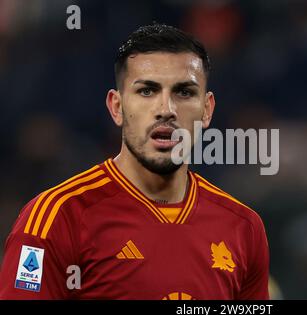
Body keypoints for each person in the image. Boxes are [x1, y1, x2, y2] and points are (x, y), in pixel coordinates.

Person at [0, 23, 269, 300]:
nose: (166, 110)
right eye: (147, 91)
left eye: (184, 92)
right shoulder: (57, 217)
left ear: (207, 110)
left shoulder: (244, 228)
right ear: (117, 107)